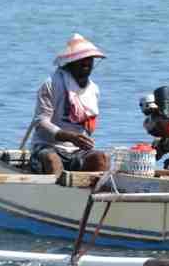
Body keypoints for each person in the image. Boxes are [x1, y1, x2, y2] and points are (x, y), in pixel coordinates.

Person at [29, 33, 110, 175]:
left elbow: (89, 126)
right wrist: (70, 136)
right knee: (52, 160)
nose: (86, 63)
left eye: (89, 59)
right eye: (81, 59)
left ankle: (90, 194)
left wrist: (83, 140)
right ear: (70, 62)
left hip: (76, 152)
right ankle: (55, 194)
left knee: (101, 158)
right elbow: (41, 123)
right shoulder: (51, 84)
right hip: (48, 147)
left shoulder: (93, 90)